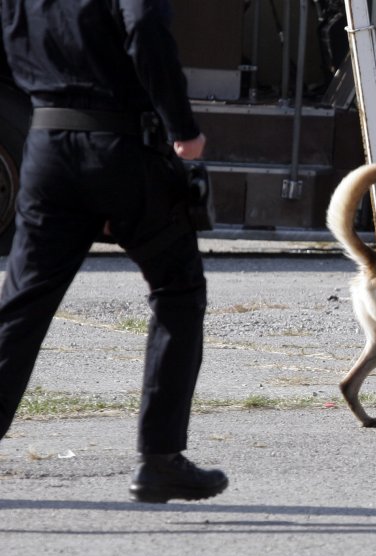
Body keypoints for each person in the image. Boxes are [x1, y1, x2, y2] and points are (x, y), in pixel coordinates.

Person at [0, 0, 227, 503]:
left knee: (23, 304)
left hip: (46, 145)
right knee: (178, 288)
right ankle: (161, 459)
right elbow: (145, 26)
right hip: (123, 146)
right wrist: (183, 128)